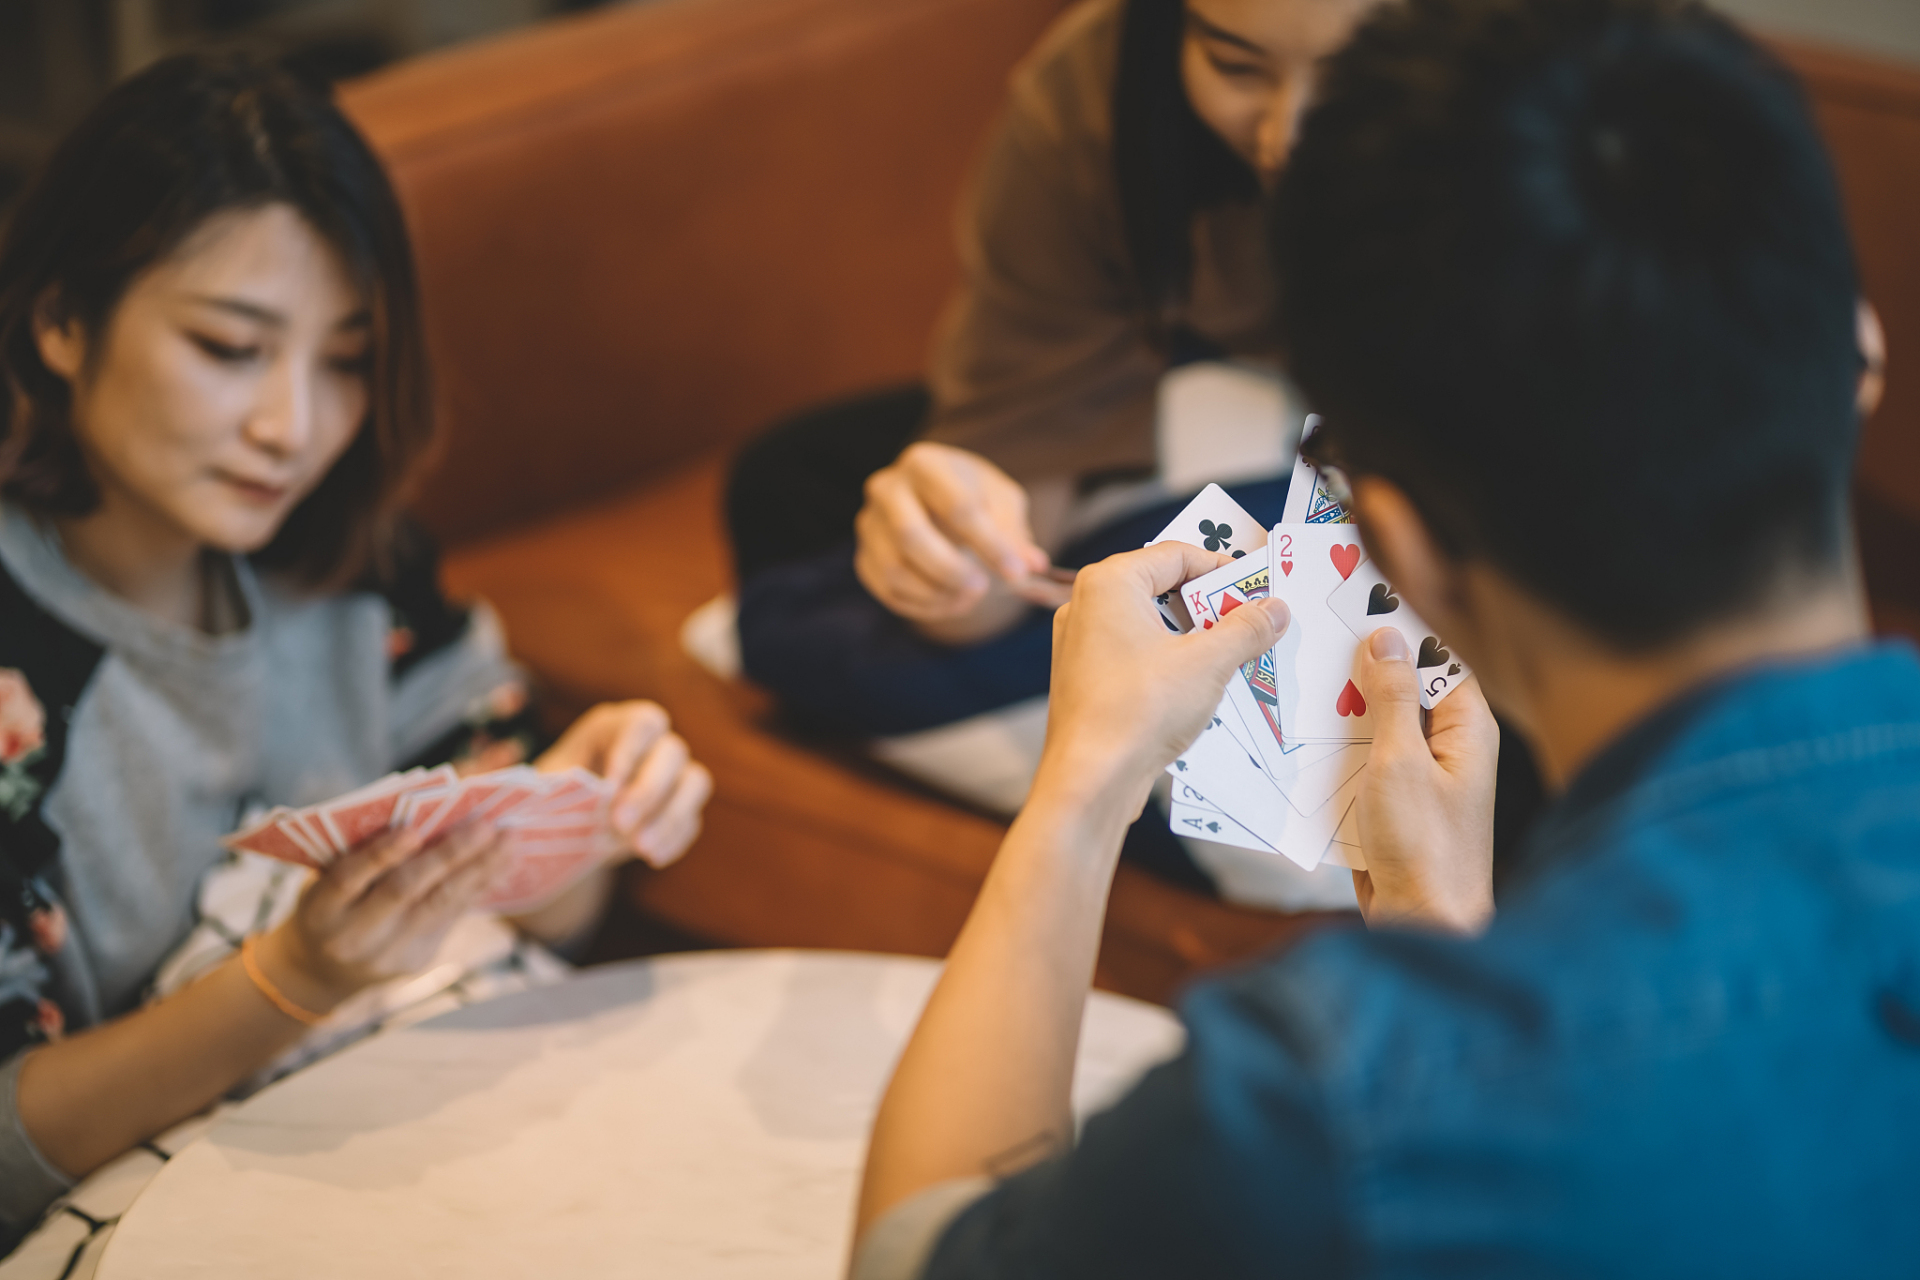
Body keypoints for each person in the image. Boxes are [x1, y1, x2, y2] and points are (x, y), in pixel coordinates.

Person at [850, 0, 1918, 1272]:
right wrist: (1436, 919)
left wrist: (1082, 793)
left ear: (1397, 547)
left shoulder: (1326, 1103)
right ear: (1855, 359)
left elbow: (916, 1252)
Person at [0, 53, 712, 1250]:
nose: (295, 427)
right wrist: (294, 980)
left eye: (343, 361)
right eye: (231, 348)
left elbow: (555, 919)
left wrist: (579, 813)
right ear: (62, 320)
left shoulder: (352, 566)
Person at [729, 0, 1506, 902]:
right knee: (788, 480)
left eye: (1350, 76)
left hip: (1481, 488)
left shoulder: (1582, 139)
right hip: (1211, 419)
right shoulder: (1094, 99)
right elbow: (1000, 532)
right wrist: (956, 550)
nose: (1287, 135)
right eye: (1234, 63)